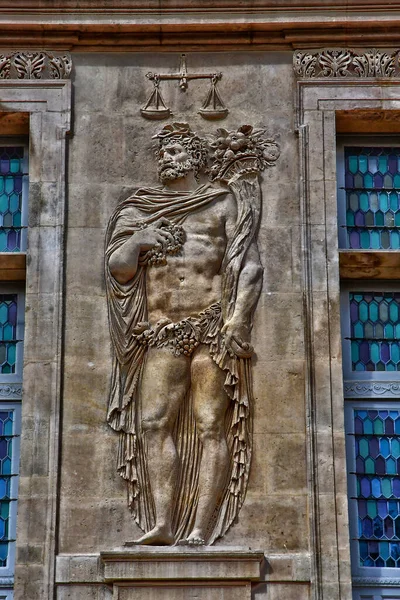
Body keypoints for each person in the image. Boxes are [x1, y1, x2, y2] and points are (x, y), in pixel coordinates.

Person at [105, 122, 277, 545]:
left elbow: (248, 265)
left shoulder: (221, 205)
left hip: (211, 325)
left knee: (209, 425)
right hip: (161, 330)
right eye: (163, 154)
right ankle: (162, 523)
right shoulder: (138, 210)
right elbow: (118, 269)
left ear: (196, 158)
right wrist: (141, 238)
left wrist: (237, 318)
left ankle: (201, 528)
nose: (167, 160)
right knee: (151, 423)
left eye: (176, 153)